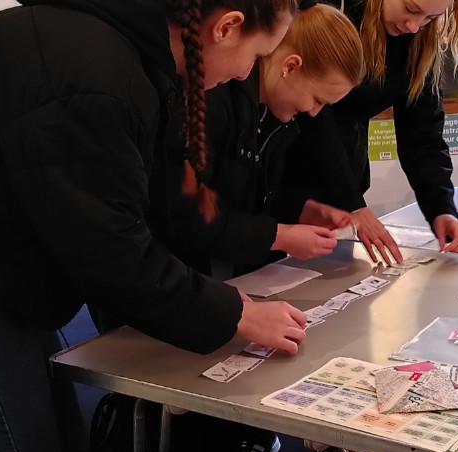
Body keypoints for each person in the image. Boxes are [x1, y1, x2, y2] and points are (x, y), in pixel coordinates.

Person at [0, 1, 306, 452]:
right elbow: (111, 250)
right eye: (256, 55)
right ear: (227, 27)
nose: (245, 75)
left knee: (60, 444)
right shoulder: (92, 75)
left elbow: (162, 205)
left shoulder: (137, 59)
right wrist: (234, 312)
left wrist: (231, 294)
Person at [150, 1, 364, 280]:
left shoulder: (278, 119)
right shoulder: (214, 99)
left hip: (216, 275)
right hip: (173, 275)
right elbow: (187, 219)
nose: (314, 113)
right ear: (291, 66)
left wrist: (302, 210)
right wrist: (280, 236)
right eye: (317, 100)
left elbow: (248, 196)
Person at [278, 0, 458, 272]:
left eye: (430, 18)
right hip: (282, 175)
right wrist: (353, 203)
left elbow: (423, 134)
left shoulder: (419, 42)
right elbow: (315, 119)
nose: (414, 26)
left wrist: (441, 208)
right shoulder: (336, 11)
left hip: (344, 184)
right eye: (411, 9)